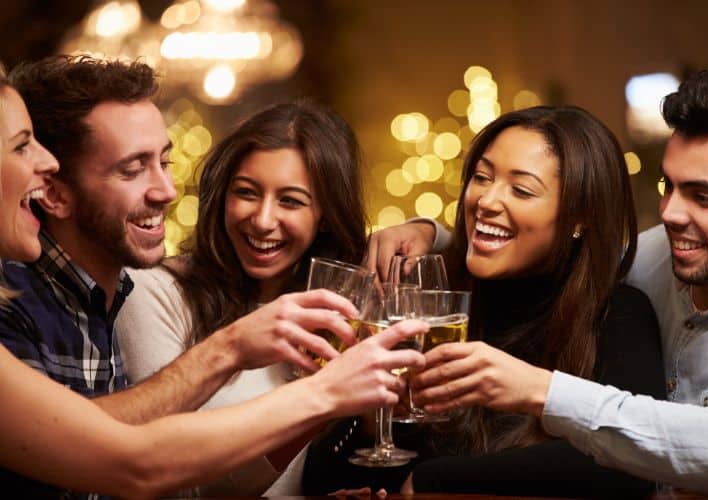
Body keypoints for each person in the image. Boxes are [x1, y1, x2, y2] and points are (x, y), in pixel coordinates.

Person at [0, 65, 427, 499]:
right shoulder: (22, 301)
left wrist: (424, 229)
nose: (167, 190)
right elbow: (137, 464)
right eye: (133, 169)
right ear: (55, 194)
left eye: (164, 161)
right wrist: (253, 357)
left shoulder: (103, 295)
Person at [373, 68, 708, 499]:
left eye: (702, 197)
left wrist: (540, 391)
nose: (670, 213)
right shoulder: (661, 253)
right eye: (667, 185)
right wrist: (427, 235)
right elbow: (556, 246)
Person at [303, 106, 666, 497]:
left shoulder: (617, 314)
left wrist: (433, 482)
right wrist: (368, 419)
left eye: (521, 190)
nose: (486, 201)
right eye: (481, 177)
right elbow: (323, 478)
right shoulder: (431, 302)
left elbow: (631, 464)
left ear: (580, 217)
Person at [115, 99, 370, 495]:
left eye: (290, 201)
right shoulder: (156, 290)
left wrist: (424, 230)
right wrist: (317, 402)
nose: (263, 220)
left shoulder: (336, 309)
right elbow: (173, 487)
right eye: (247, 193)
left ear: (325, 216)